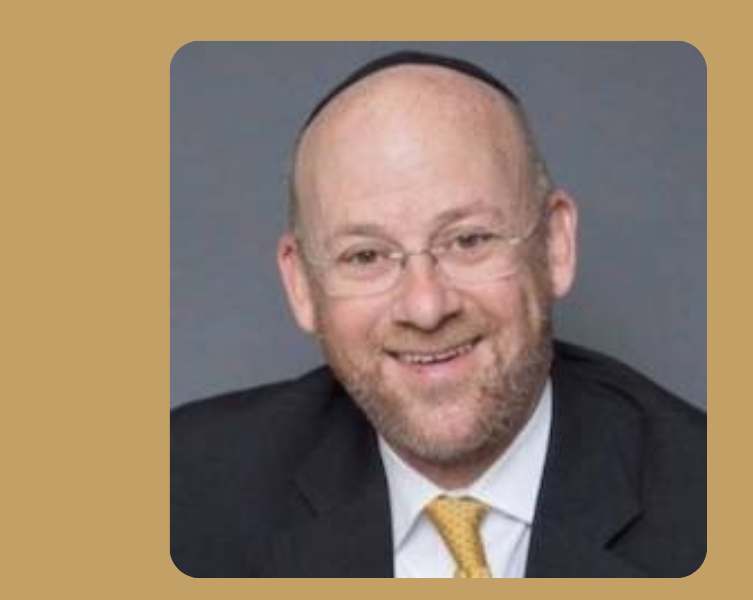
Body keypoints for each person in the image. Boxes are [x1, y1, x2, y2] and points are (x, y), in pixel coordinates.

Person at [171, 50, 706, 578]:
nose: (426, 309)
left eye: (469, 240)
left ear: (554, 245)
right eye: (365, 256)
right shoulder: (181, 495)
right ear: (301, 285)